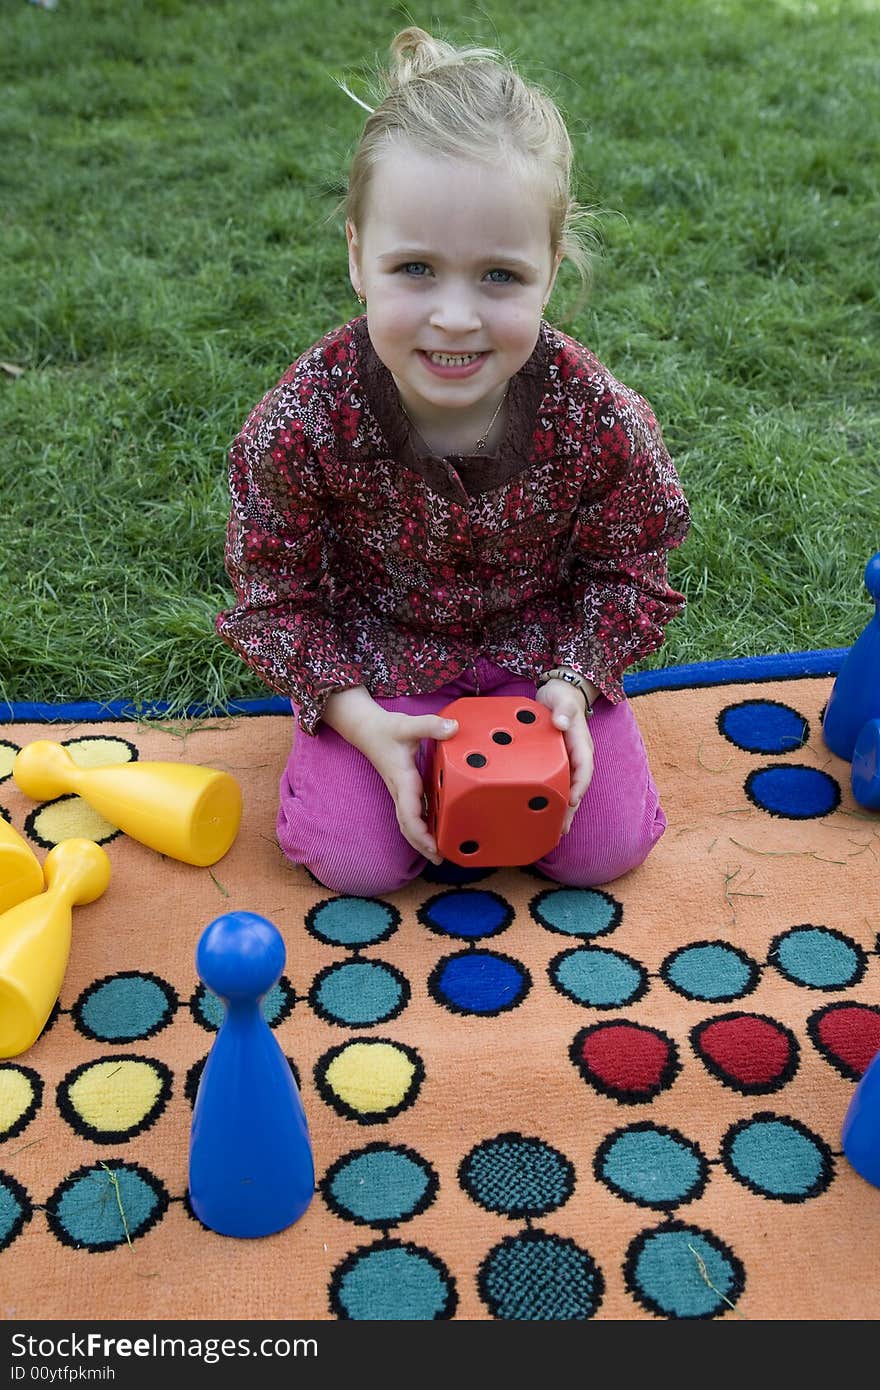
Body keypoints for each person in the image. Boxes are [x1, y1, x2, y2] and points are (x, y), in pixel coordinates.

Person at [216, 26, 690, 898]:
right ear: (358, 256)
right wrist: (357, 720)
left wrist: (576, 687)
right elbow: (273, 593)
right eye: (416, 268)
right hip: (378, 663)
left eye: (500, 277)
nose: (456, 317)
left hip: (544, 662)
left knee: (603, 852)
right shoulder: (302, 420)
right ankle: (336, 758)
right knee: (359, 864)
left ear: (552, 267)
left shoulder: (600, 418)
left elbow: (633, 566)